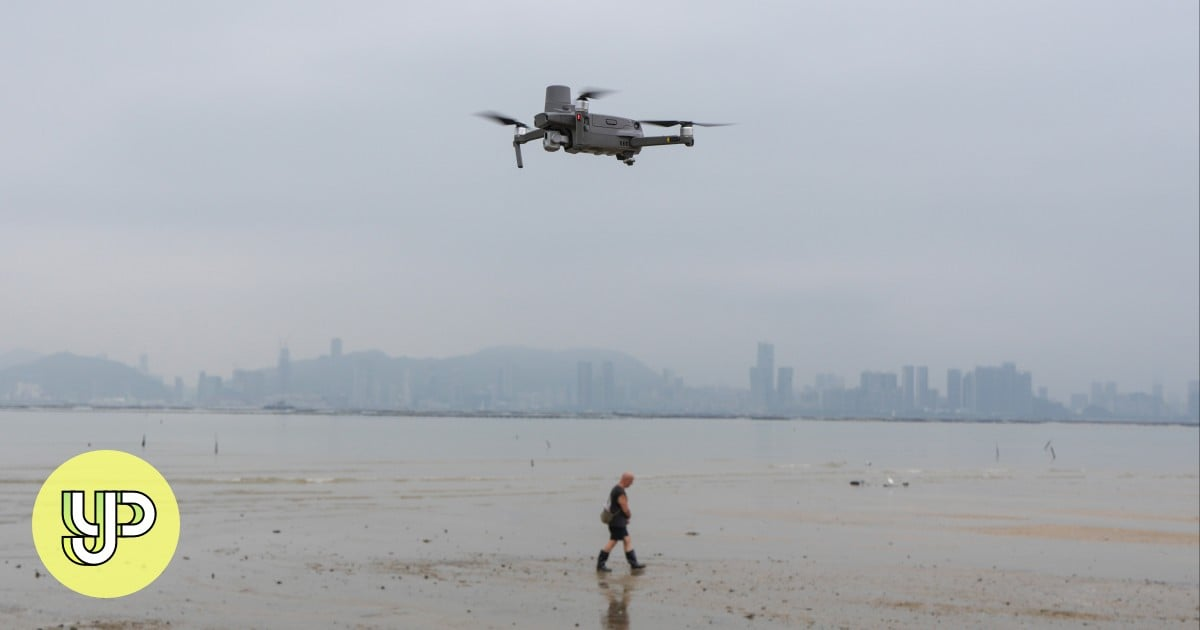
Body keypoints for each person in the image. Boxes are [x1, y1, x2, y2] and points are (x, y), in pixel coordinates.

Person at [597, 471, 646, 572]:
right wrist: (628, 515)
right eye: (631, 481)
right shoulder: (620, 491)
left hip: (617, 522)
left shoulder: (616, 489)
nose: (631, 484)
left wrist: (624, 519)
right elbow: (624, 507)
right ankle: (601, 564)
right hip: (617, 523)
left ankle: (633, 563)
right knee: (613, 542)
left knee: (626, 540)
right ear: (626, 480)